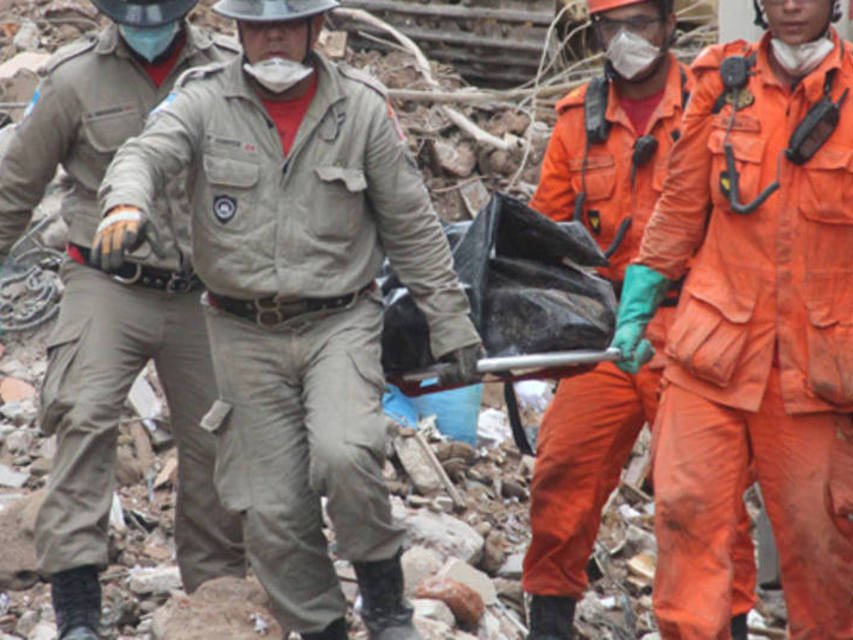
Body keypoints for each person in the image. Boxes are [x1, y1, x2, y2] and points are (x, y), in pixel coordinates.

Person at [91, 1, 484, 638]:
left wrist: (451, 321)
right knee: (270, 509)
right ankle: (322, 626)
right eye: (257, 25)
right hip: (242, 330)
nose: (272, 38)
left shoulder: (360, 108)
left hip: (339, 321)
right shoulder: (203, 99)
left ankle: (385, 605)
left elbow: (412, 225)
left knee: (346, 452)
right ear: (238, 30)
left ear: (316, 28)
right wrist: (125, 204)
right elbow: (147, 151)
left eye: (287, 23)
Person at [612, 0, 853, 636]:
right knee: (686, 513)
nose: (792, 4)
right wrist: (639, 299)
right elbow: (680, 205)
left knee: (817, 559)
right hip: (713, 352)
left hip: (820, 373)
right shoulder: (722, 83)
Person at [0, 2, 246, 638]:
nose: (147, 19)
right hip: (105, 282)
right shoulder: (72, 79)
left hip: (204, 290)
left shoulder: (229, 70)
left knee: (221, 437)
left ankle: (214, 599)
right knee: (81, 411)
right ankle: (78, 608)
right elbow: (14, 188)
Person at [521, 1, 757, 638]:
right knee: (561, 477)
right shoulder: (577, 118)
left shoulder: (715, 103)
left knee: (703, 496)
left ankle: (726, 623)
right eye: (611, 27)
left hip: (692, 324)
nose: (627, 40)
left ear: (670, 23)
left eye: (641, 23)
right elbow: (545, 233)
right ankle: (548, 622)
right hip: (606, 328)